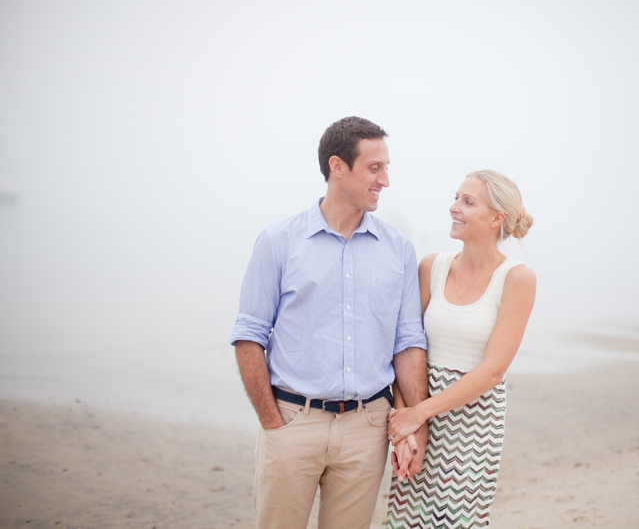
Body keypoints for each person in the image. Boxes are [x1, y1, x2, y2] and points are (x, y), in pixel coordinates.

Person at [230, 116, 429, 529]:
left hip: (368, 427)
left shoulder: (399, 249)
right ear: (338, 167)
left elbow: (407, 341)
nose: (385, 180)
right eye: (375, 168)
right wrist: (273, 423)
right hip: (292, 422)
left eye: (387, 168)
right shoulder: (278, 242)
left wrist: (416, 421)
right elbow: (249, 336)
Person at [385, 169, 537, 528]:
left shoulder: (517, 278)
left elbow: (493, 371)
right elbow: (405, 347)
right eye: (456, 198)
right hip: (418, 400)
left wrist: (419, 414)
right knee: (406, 520)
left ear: (496, 218)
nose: (454, 208)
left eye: (468, 202)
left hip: (474, 422)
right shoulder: (431, 267)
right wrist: (405, 423)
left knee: (456, 522)